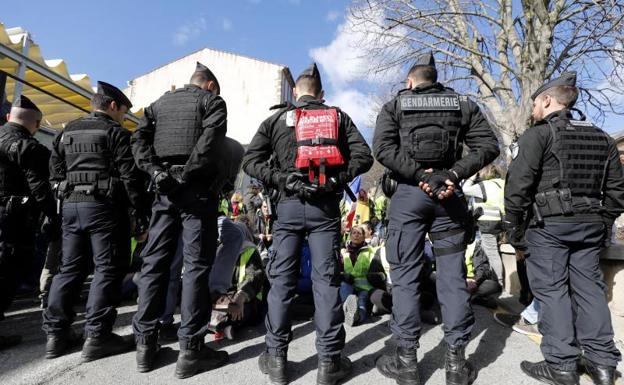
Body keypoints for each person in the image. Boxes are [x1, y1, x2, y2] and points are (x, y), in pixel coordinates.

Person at [373, 51, 500, 385]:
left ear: (410, 82)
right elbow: (489, 146)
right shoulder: (462, 104)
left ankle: (407, 363)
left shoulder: (395, 106)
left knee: (405, 276)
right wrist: (452, 175)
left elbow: (382, 150)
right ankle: (456, 365)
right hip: (448, 197)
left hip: (410, 197)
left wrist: (418, 176)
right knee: (452, 278)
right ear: (436, 80)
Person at [243, 62, 373, 385]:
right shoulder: (337, 117)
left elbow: (251, 162)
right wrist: (334, 181)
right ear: (321, 94)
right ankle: (329, 363)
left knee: (282, 280)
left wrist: (284, 179)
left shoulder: (276, 119)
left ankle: (276, 360)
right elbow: (364, 156)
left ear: (296, 92)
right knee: (326, 281)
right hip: (324, 210)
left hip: (287, 209)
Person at [504, 71, 623, 385]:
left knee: (553, 292)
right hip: (590, 228)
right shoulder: (602, 136)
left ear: (546, 100)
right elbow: (617, 191)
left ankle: (561, 365)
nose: (532, 111)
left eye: (534, 104)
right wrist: (603, 220)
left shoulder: (537, 135)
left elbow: (517, 188)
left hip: (549, 228)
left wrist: (515, 230)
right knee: (590, 292)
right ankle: (602, 366)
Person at [131, 62, 229, 378]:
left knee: (154, 264)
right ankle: (191, 350)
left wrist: (156, 172)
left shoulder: (160, 102)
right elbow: (212, 140)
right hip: (195, 192)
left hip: (162, 191)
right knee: (196, 267)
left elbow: (138, 140)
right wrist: (187, 174)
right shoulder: (212, 102)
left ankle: (145, 346)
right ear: (210, 85)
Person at [43, 81, 148, 361]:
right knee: (107, 269)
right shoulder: (116, 133)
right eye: (123, 111)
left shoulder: (67, 131)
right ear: (113, 106)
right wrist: (140, 215)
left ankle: (56, 335)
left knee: (69, 269)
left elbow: (54, 173)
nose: (124, 117)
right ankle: (98, 336)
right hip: (104, 208)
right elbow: (131, 178)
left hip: (70, 207)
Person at [0, 96, 58, 350]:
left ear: (7, 118)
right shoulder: (28, 147)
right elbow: (40, 189)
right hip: (12, 221)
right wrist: (53, 216)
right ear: (35, 124)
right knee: (6, 273)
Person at [463, 164, 505, 287]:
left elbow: (465, 189)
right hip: (501, 221)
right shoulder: (502, 183)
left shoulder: (483, 186)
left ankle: (499, 282)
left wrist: (471, 178)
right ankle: (493, 279)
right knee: (490, 250)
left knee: (491, 253)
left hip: (487, 222)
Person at [340, 226, 375, 326]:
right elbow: (338, 269)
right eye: (354, 233)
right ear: (350, 236)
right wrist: (343, 275)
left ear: (364, 237)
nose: (356, 235)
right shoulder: (343, 251)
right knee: (344, 287)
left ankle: (356, 317)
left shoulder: (371, 251)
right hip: (348, 284)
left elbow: (376, 268)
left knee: (362, 302)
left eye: (359, 233)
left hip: (364, 287)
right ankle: (346, 310)